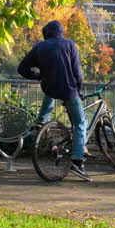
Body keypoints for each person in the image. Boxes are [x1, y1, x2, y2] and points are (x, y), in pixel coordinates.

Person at [17, 19, 89, 180]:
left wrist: (38, 76)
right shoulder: (69, 44)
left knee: (50, 93)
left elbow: (21, 69)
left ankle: (41, 122)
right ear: (60, 32)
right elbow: (77, 72)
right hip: (68, 90)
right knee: (80, 124)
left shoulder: (40, 47)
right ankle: (78, 161)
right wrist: (78, 89)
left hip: (50, 88)